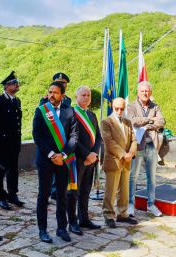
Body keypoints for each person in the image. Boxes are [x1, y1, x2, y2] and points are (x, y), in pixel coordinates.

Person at [33, 81, 78, 243]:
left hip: (63, 161)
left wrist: (64, 155)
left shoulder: (70, 112)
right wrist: (53, 154)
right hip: (46, 159)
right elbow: (37, 136)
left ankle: (61, 228)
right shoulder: (41, 111)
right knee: (43, 195)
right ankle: (43, 230)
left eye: (55, 93)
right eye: (50, 92)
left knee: (62, 195)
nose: (51, 95)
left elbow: (74, 137)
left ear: (63, 95)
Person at [127, 81, 165, 217]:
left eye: (147, 91)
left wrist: (144, 121)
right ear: (138, 92)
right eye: (143, 91)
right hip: (137, 145)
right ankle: (131, 204)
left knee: (152, 177)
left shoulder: (155, 106)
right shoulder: (131, 106)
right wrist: (150, 120)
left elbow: (161, 121)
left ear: (151, 93)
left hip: (151, 145)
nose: (145, 93)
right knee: (133, 176)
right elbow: (131, 121)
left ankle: (151, 204)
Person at [67, 86, 102, 235]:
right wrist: (87, 154)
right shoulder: (71, 114)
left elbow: (98, 137)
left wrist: (93, 154)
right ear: (76, 97)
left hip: (91, 160)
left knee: (86, 191)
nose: (86, 97)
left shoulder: (92, 115)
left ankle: (84, 219)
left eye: (88, 95)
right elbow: (72, 137)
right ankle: (73, 222)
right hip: (77, 159)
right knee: (73, 192)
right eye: (83, 95)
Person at [100, 97, 137, 228]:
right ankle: (108, 215)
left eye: (122, 108)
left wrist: (131, 153)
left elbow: (134, 140)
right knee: (111, 190)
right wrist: (123, 154)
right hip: (114, 161)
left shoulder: (128, 122)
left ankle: (123, 214)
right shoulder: (106, 122)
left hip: (127, 161)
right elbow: (109, 142)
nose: (120, 111)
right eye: (117, 108)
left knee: (124, 190)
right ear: (112, 107)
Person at [0, 71, 23, 210]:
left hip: (14, 143)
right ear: (6, 86)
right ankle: (0, 197)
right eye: (14, 83)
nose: (17, 85)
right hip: (1, 144)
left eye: (17, 83)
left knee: (13, 170)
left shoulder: (17, 101)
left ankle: (12, 194)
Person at [40, 72, 71, 200]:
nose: (61, 84)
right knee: (46, 175)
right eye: (58, 83)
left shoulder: (67, 100)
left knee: (61, 170)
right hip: (50, 140)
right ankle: (47, 194)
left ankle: (57, 191)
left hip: (63, 140)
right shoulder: (45, 100)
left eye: (63, 83)